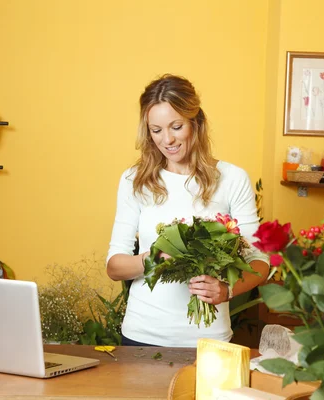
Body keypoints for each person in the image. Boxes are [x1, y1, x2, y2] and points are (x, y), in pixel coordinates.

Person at [106, 74, 270, 347]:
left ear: (196, 122)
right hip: (141, 337)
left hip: (209, 341)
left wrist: (227, 290)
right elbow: (114, 266)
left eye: (176, 126)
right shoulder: (134, 180)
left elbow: (260, 261)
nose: (167, 139)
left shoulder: (231, 178)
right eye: (156, 130)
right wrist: (154, 258)